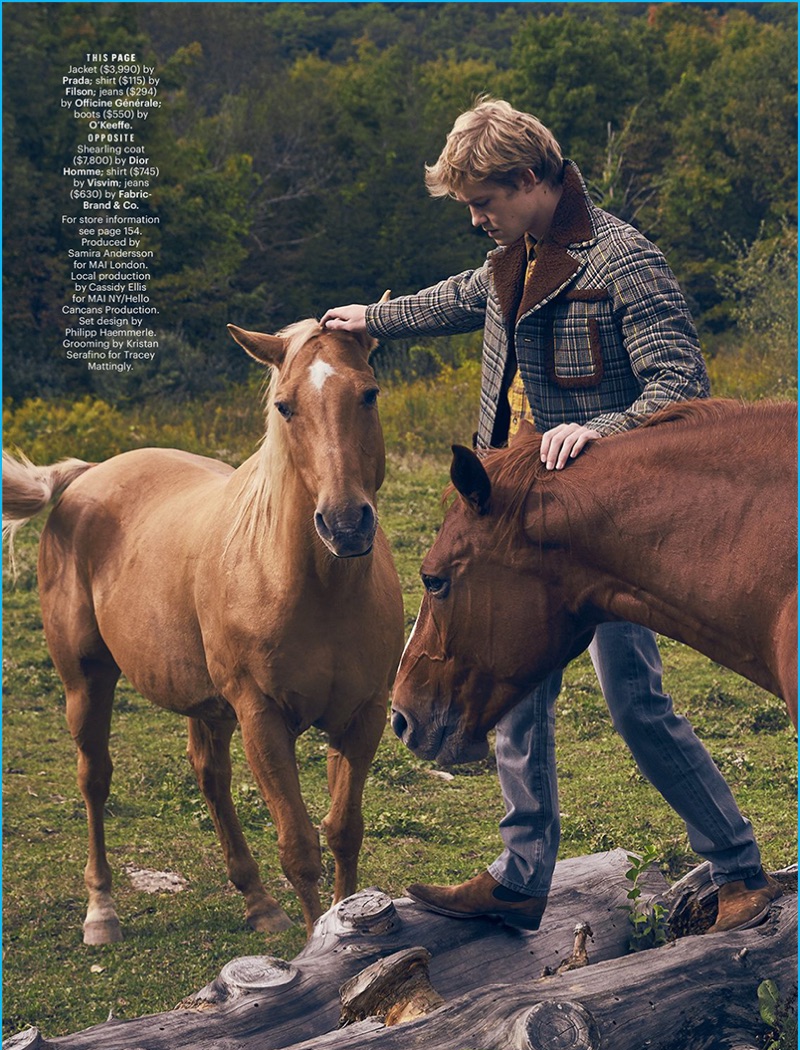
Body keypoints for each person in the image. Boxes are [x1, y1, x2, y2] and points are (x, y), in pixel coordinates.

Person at [321, 97, 781, 934]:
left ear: (531, 180)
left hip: (604, 534)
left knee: (633, 697)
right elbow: (458, 298)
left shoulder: (624, 260)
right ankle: (522, 876)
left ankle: (739, 867)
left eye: (483, 202)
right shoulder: (511, 255)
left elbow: (682, 389)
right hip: (514, 526)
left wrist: (596, 431)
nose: (475, 219)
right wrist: (373, 317)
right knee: (510, 687)